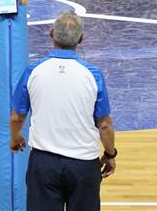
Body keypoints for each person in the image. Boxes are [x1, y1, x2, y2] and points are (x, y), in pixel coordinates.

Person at [9, 11, 116, 209]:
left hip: (43, 164)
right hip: (84, 165)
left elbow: (17, 117)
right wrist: (110, 155)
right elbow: (104, 124)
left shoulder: (33, 71)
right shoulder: (93, 75)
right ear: (81, 39)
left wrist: (16, 139)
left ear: (51, 33)